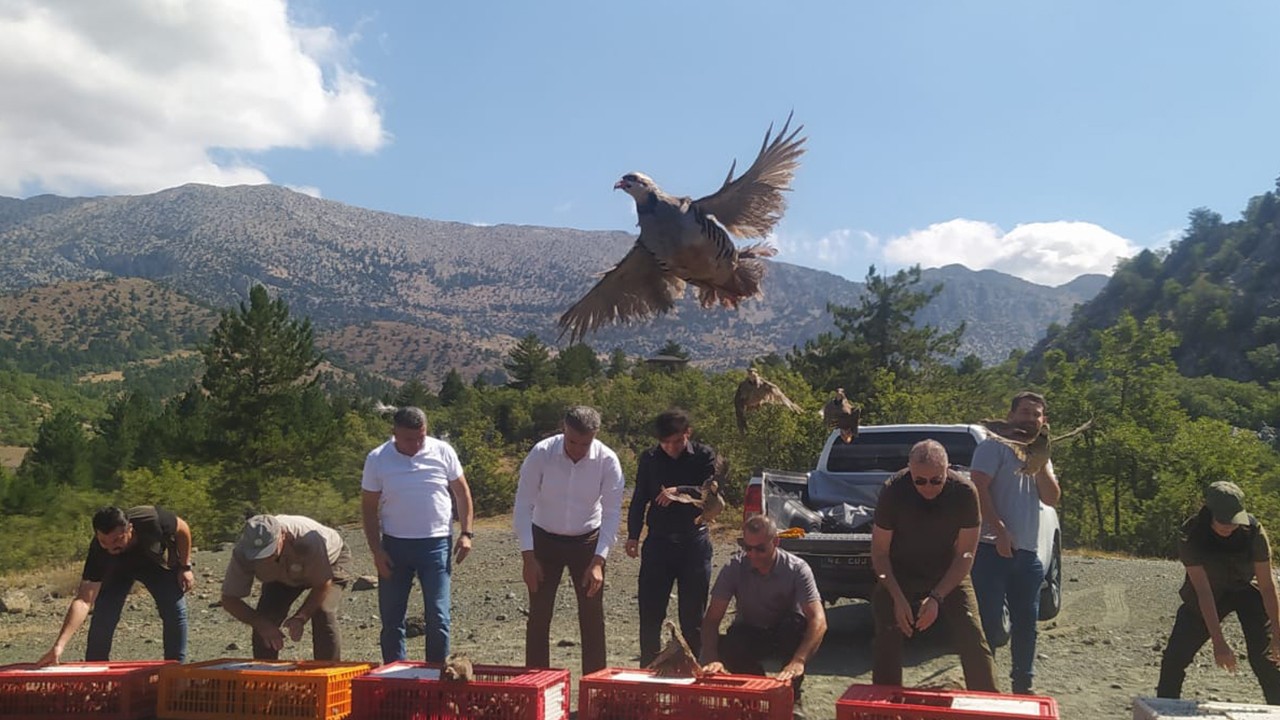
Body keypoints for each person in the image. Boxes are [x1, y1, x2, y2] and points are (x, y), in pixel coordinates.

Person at [870, 440, 996, 690]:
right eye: (920, 481)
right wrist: (897, 597)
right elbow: (880, 552)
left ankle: (987, 702)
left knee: (971, 634)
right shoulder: (893, 491)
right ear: (909, 471)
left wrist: (937, 597)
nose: (928, 487)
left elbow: (966, 554)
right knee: (887, 633)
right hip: (899, 571)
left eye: (936, 480)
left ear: (948, 470)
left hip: (947, 571)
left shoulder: (965, 492)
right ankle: (884, 707)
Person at [514, 405, 626, 674]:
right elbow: (522, 505)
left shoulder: (608, 460)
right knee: (539, 616)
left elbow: (612, 513)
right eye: (572, 441)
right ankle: (537, 684)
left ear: (595, 436)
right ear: (563, 429)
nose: (577, 449)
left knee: (592, 617)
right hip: (544, 539)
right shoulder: (542, 453)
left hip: (587, 541)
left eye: (584, 443)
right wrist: (528, 558)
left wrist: (599, 561)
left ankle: (594, 689)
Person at [362, 405, 474, 663]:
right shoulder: (378, 458)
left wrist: (466, 533)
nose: (415, 444)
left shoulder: (442, 451)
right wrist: (376, 551)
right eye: (408, 439)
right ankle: (396, 677)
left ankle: (436, 676)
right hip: (394, 546)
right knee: (392, 618)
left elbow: (462, 493)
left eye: (420, 437)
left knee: (438, 616)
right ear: (394, 434)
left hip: (436, 545)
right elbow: (368, 508)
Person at [1156, 481, 1280, 703]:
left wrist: (1278, 633)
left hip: (1246, 590)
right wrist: (1219, 642)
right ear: (1208, 511)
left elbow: (1267, 585)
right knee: (1174, 659)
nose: (1228, 526)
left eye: (1233, 521)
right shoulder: (1190, 534)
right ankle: (1165, 707)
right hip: (1208, 592)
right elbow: (1203, 591)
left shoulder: (1253, 531)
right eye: (1222, 521)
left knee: (1267, 660)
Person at [970, 391, 1060, 694]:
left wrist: (1041, 465)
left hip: (1029, 553)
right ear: (1011, 416)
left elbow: (1052, 498)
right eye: (1024, 413)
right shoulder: (992, 447)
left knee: (1026, 624)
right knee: (991, 623)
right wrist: (999, 532)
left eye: (1036, 415)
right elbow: (978, 489)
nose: (1030, 419)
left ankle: (1023, 685)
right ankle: (986, 684)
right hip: (990, 549)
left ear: (1043, 420)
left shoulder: (1040, 452)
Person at [701, 514, 827, 719]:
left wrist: (799, 660)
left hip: (785, 632)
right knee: (732, 642)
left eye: (760, 548)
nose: (753, 554)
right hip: (752, 631)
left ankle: (792, 696)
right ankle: (754, 695)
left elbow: (819, 621)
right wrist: (712, 659)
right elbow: (712, 619)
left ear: (775, 542)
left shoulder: (797, 569)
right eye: (746, 547)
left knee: (795, 628)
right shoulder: (733, 568)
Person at [38, 505, 194, 665]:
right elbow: (84, 600)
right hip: (116, 571)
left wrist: (185, 566)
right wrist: (59, 645)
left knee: (175, 609)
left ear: (130, 529)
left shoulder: (151, 520)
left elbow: (183, 529)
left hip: (152, 563)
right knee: (103, 616)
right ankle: (95, 672)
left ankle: (175, 669)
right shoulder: (99, 552)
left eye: (117, 539)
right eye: (103, 541)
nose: (111, 546)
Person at [625, 408, 718, 666]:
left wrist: (680, 491)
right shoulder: (650, 458)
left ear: (687, 434)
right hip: (658, 543)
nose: (670, 448)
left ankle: (693, 670)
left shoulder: (704, 455)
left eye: (676, 442)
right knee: (650, 613)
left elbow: (709, 493)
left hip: (694, 543)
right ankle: (648, 670)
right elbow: (640, 498)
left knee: (692, 616)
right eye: (664, 443)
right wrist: (633, 535)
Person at [221, 514, 352, 660]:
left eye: (269, 551)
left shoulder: (309, 540)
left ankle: (327, 673)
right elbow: (229, 598)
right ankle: (265, 675)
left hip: (331, 562)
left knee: (323, 612)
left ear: (283, 536)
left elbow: (322, 584)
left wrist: (301, 617)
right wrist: (261, 624)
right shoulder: (243, 551)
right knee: (266, 617)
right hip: (282, 576)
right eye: (258, 555)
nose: (264, 558)